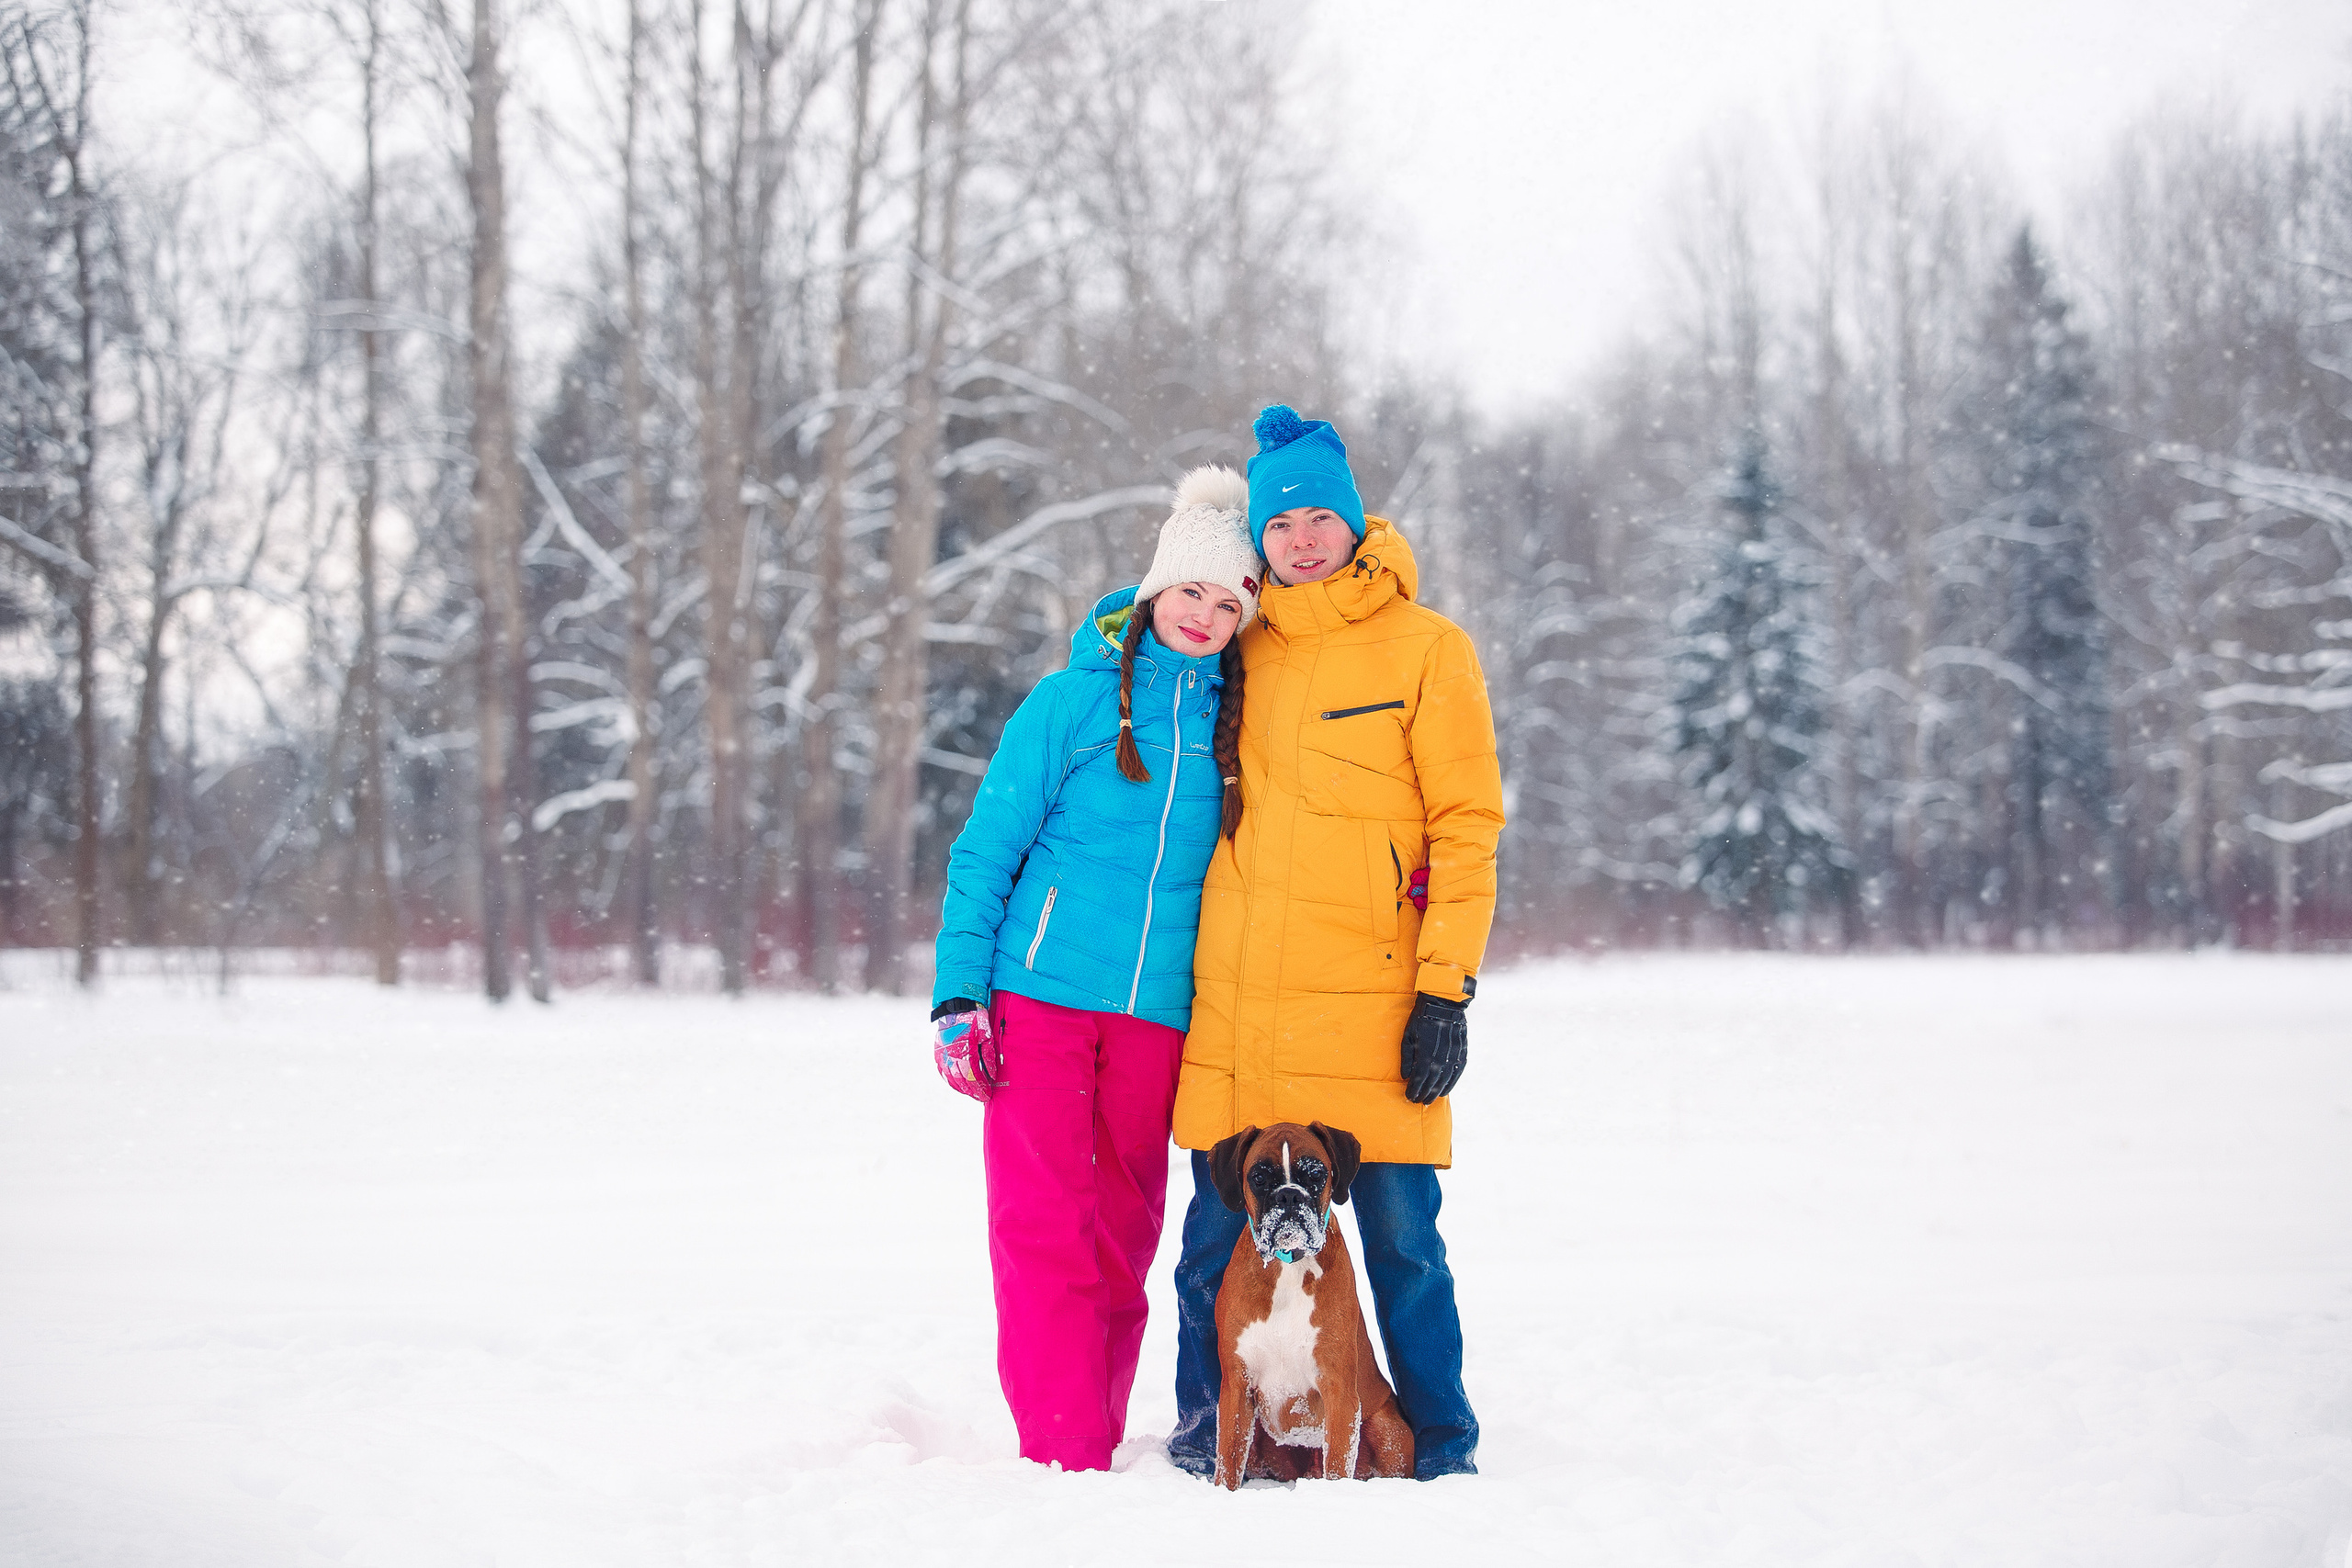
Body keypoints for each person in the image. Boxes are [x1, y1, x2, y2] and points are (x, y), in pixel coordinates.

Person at [1166, 405, 1505, 1482]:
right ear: (1256, 540)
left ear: (1354, 524)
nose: (1303, 539)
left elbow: (1466, 824)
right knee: (1211, 1255)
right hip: (1243, 1018)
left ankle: (1439, 1450)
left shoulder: (1427, 649)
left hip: (1373, 1014)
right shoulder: (1236, 648)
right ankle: (1211, 1440)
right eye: (1281, 524)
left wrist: (1444, 989)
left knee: (1403, 1249)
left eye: (1322, 517)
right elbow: (1134, 649)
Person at [929, 466, 1266, 1472]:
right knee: (1040, 1227)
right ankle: (1060, 1451)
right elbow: (985, 850)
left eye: (1226, 600)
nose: (1203, 615)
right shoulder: (1067, 704)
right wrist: (959, 994)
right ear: (1154, 587)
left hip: (1160, 1014)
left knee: (1123, 1230)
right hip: (1037, 999)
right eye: (1189, 591)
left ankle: (1098, 1429)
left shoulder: (1237, 725)